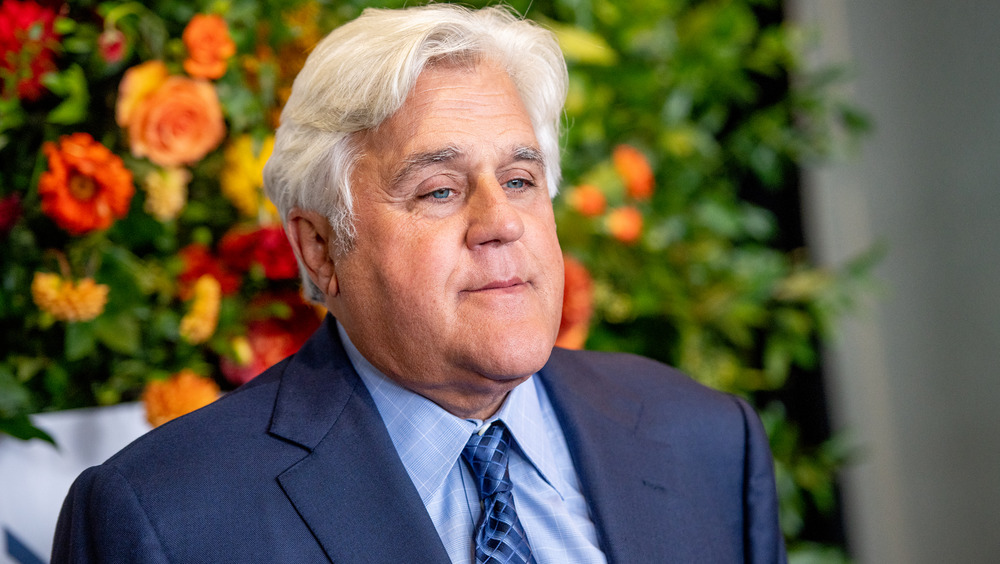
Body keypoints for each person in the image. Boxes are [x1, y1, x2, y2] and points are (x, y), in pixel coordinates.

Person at [52, 5, 786, 563]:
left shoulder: (707, 440)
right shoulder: (162, 518)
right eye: (439, 190)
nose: (501, 222)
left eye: (520, 179)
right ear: (320, 248)